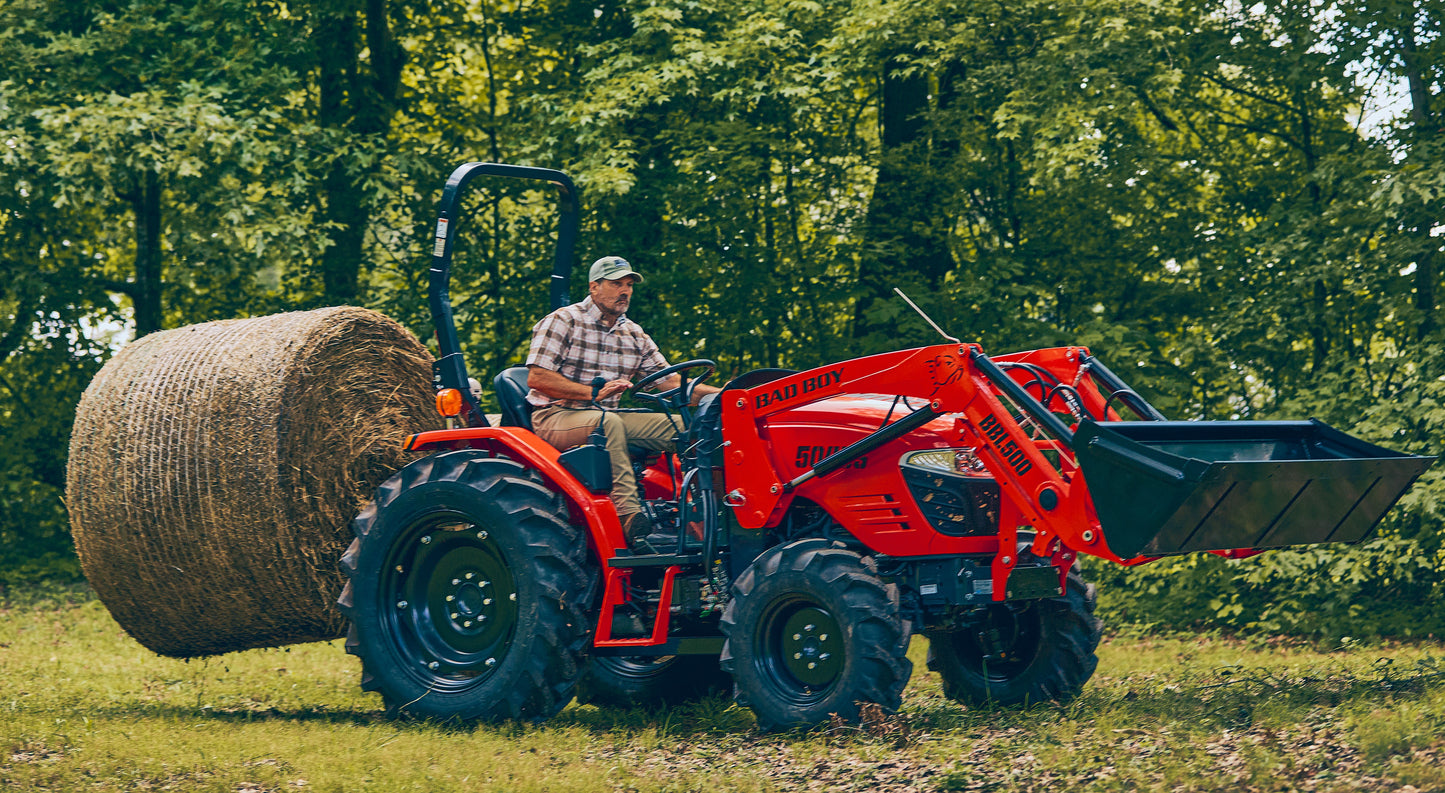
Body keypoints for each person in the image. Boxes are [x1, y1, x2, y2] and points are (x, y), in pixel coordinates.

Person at [526, 255, 720, 553]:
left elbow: (668, 383)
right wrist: (592, 394)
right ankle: (628, 517)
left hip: (605, 416)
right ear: (594, 287)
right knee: (609, 422)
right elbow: (538, 378)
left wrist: (724, 396)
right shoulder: (563, 321)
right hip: (556, 416)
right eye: (616, 284)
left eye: (629, 285)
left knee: (693, 427)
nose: (625, 291)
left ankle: (714, 511)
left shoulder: (633, 333)